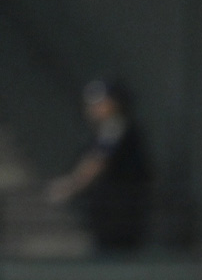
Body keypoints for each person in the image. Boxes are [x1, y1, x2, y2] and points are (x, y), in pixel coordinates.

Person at [46, 78, 151, 252]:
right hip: (113, 214)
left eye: (101, 102)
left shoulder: (116, 126)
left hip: (121, 214)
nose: (93, 108)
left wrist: (70, 186)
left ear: (115, 103)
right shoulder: (109, 129)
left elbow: (97, 161)